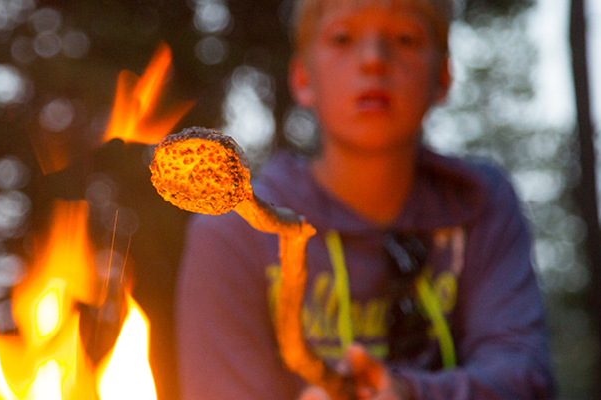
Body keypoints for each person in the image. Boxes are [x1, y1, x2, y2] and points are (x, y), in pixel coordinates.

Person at [175, 0, 556, 399]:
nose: (374, 60)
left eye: (405, 39)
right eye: (342, 38)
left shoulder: (478, 204)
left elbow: (524, 377)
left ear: (443, 77)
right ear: (303, 79)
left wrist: (409, 393)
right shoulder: (234, 233)